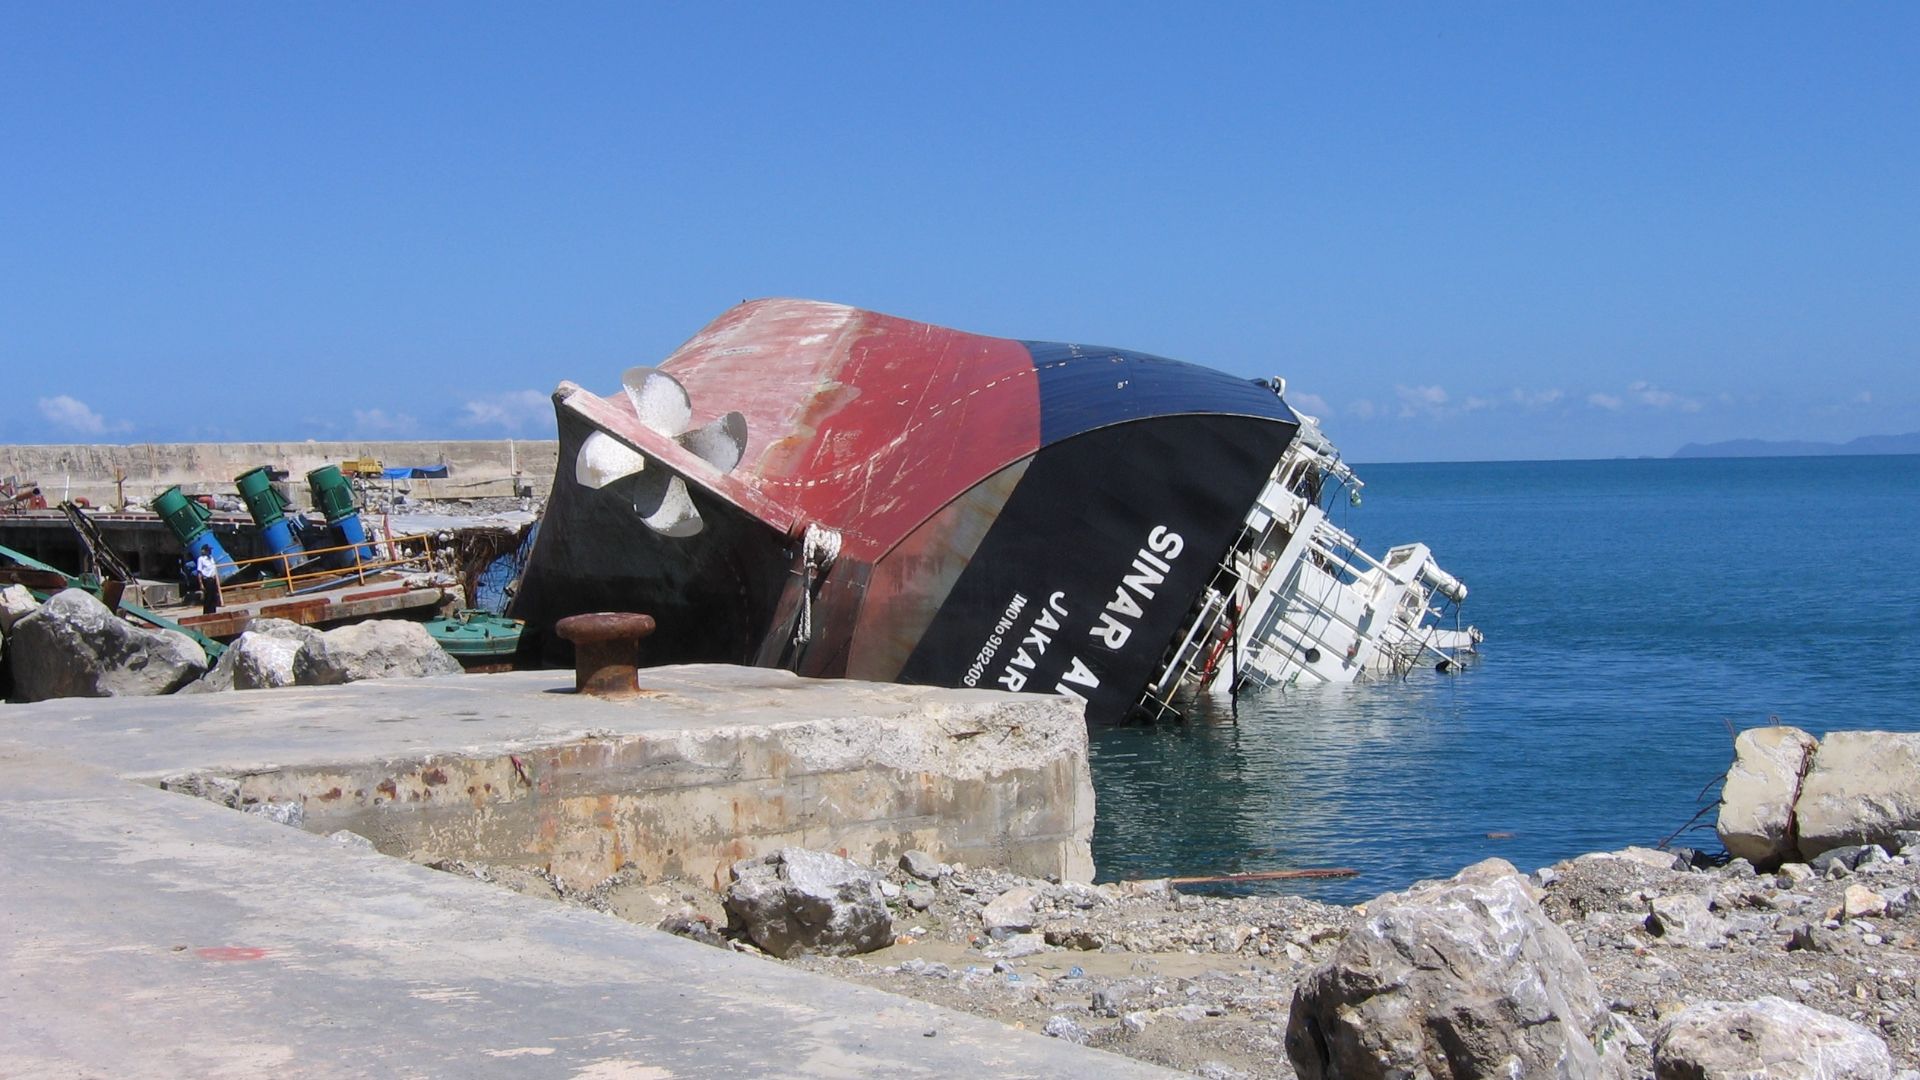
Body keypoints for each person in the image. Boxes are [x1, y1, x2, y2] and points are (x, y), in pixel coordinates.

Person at [195, 544, 221, 614]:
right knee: (208, 598)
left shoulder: (211, 558)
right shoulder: (201, 559)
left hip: (213, 579)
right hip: (207, 580)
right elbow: (199, 572)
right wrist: (201, 584)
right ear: (204, 551)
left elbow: (214, 570)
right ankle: (206, 613)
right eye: (208, 550)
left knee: (214, 597)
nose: (210, 551)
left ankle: (213, 612)